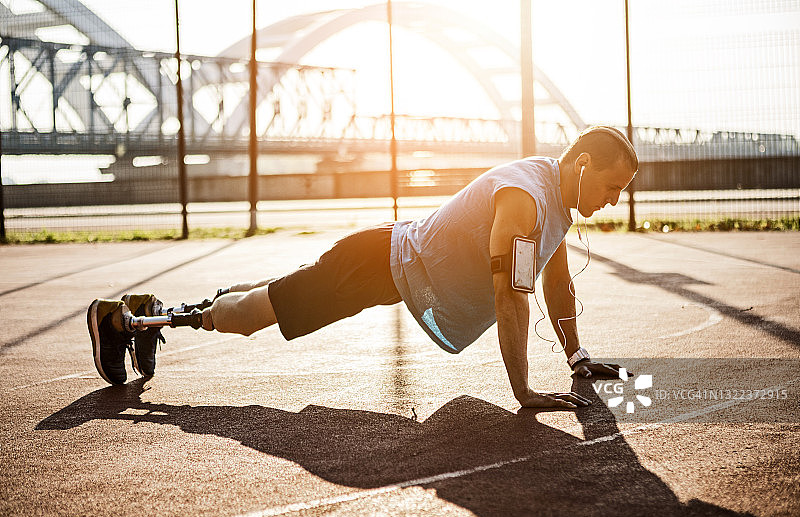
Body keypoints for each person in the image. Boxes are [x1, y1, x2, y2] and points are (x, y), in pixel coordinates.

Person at [87, 126, 638, 409]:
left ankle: (155, 312)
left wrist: (577, 356)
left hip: (383, 265)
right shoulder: (524, 198)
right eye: (613, 187)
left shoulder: (556, 202)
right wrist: (523, 390)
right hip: (375, 265)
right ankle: (129, 321)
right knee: (259, 312)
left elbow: (556, 278)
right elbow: (511, 292)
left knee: (273, 294)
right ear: (583, 164)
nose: (613, 200)